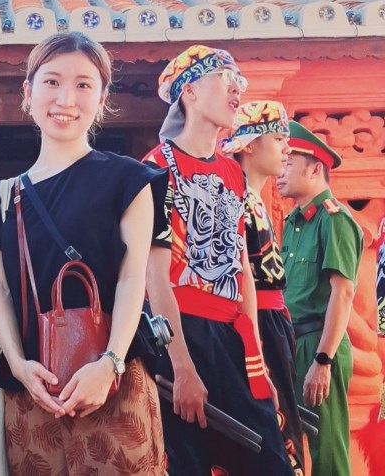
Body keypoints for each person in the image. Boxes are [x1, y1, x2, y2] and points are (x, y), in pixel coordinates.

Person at [0, 31, 167, 475]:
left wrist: (110, 363)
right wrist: (19, 366)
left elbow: (133, 276)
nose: (66, 98)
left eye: (83, 84)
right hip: (32, 392)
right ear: (28, 92)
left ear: (101, 98)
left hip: (114, 384)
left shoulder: (129, 179)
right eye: (52, 81)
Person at [143, 45, 292, 475]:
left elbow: (242, 266)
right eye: (227, 81)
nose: (236, 92)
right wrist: (181, 365)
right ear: (188, 91)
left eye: (240, 84)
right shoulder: (154, 170)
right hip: (181, 333)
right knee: (187, 463)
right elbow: (155, 274)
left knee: (269, 462)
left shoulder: (232, 172)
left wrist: (257, 362)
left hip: (235, 335)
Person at [222, 101, 305, 474]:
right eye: (278, 138)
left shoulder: (252, 198)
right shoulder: (236, 198)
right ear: (249, 144)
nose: (287, 148)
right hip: (253, 324)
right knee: (271, 434)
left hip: (271, 320)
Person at [277, 120, 363, 476]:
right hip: (290, 340)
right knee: (288, 446)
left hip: (318, 342)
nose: (279, 172)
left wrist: (323, 360)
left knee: (326, 450)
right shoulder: (291, 222)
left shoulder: (335, 220)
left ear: (315, 168)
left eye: (288, 163)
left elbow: (343, 292)